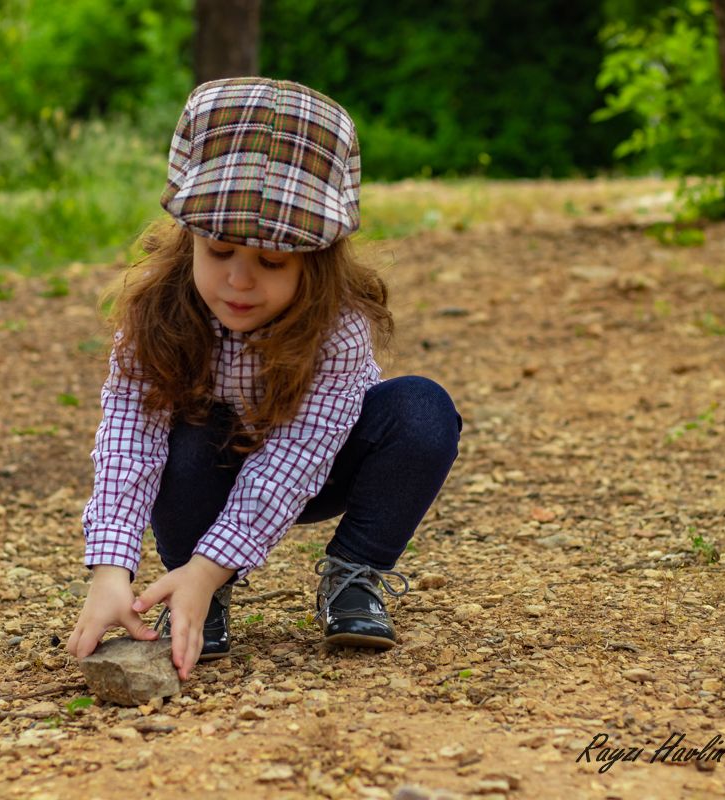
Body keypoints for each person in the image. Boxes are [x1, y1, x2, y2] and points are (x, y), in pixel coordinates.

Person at [66, 78, 461, 680]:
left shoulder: (338, 329)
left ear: (318, 259)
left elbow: (298, 457)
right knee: (191, 426)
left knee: (423, 410)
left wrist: (216, 559)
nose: (239, 281)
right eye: (219, 252)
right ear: (189, 237)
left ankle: (353, 576)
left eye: (272, 262)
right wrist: (110, 570)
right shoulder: (157, 315)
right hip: (208, 472)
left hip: (319, 464)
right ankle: (197, 594)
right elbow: (129, 437)